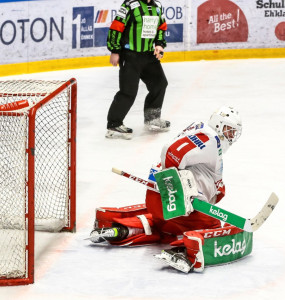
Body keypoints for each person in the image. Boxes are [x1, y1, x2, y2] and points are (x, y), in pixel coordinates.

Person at [90, 107, 252, 273]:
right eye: (229, 130)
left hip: (161, 203)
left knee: (165, 227)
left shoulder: (201, 130)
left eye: (234, 133)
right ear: (218, 124)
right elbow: (170, 151)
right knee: (213, 226)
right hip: (174, 202)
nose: (231, 136)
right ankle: (186, 252)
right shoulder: (210, 138)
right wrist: (176, 189)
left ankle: (123, 229)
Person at [105, 0, 170, 140]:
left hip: (148, 55)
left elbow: (161, 27)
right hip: (130, 56)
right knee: (128, 92)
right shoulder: (130, 5)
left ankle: (152, 119)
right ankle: (114, 124)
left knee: (160, 84)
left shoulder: (157, 6)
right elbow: (116, 27)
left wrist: (159, 44)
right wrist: (115, 50)